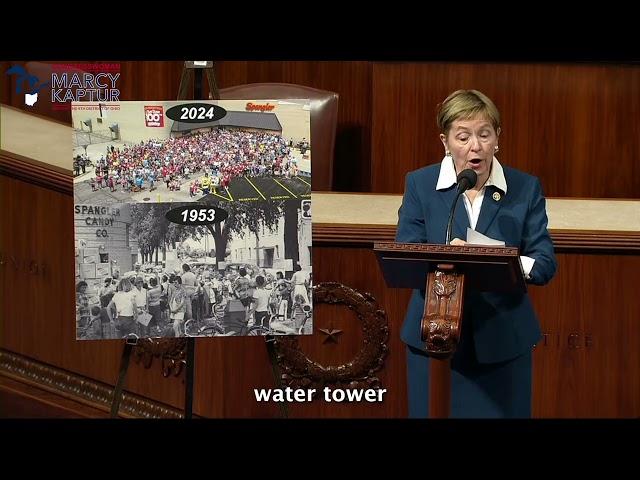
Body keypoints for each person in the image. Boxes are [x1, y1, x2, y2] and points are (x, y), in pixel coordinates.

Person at [395, 89, 557, 418]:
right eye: (463, 136)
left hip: (502, 345)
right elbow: (407, 252)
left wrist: (499, 261)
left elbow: (544, 263)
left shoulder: (525, 188)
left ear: (498, 138)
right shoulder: (420, 184)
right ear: (445, 141)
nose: (475, 146)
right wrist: (444, 256)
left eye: (484, 134)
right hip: (434, 344)